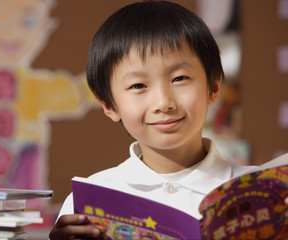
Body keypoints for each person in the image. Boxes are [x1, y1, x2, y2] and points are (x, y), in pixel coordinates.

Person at [49, 1, 288, 239]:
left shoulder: (260, 194)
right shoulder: (92, 200)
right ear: (109, 105)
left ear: (213, 88)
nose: (164, 103)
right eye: (138, 85)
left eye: (180, 78)